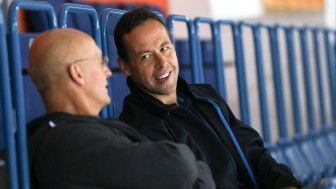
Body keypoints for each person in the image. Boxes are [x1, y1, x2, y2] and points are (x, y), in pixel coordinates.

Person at [114, 8, 304, 189]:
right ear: (125, 67)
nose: (162, 63)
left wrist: (286, 183)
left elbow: (252, 152)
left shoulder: (205, 96)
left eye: (164, 48)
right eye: (146, 56)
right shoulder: (138, 129)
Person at [27, 28, 216, 189]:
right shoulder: (68, 142)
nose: (108, 72)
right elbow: (180, 165)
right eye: (100, 62)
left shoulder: (80, 131)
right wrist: (194, 166)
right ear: (77, 73)